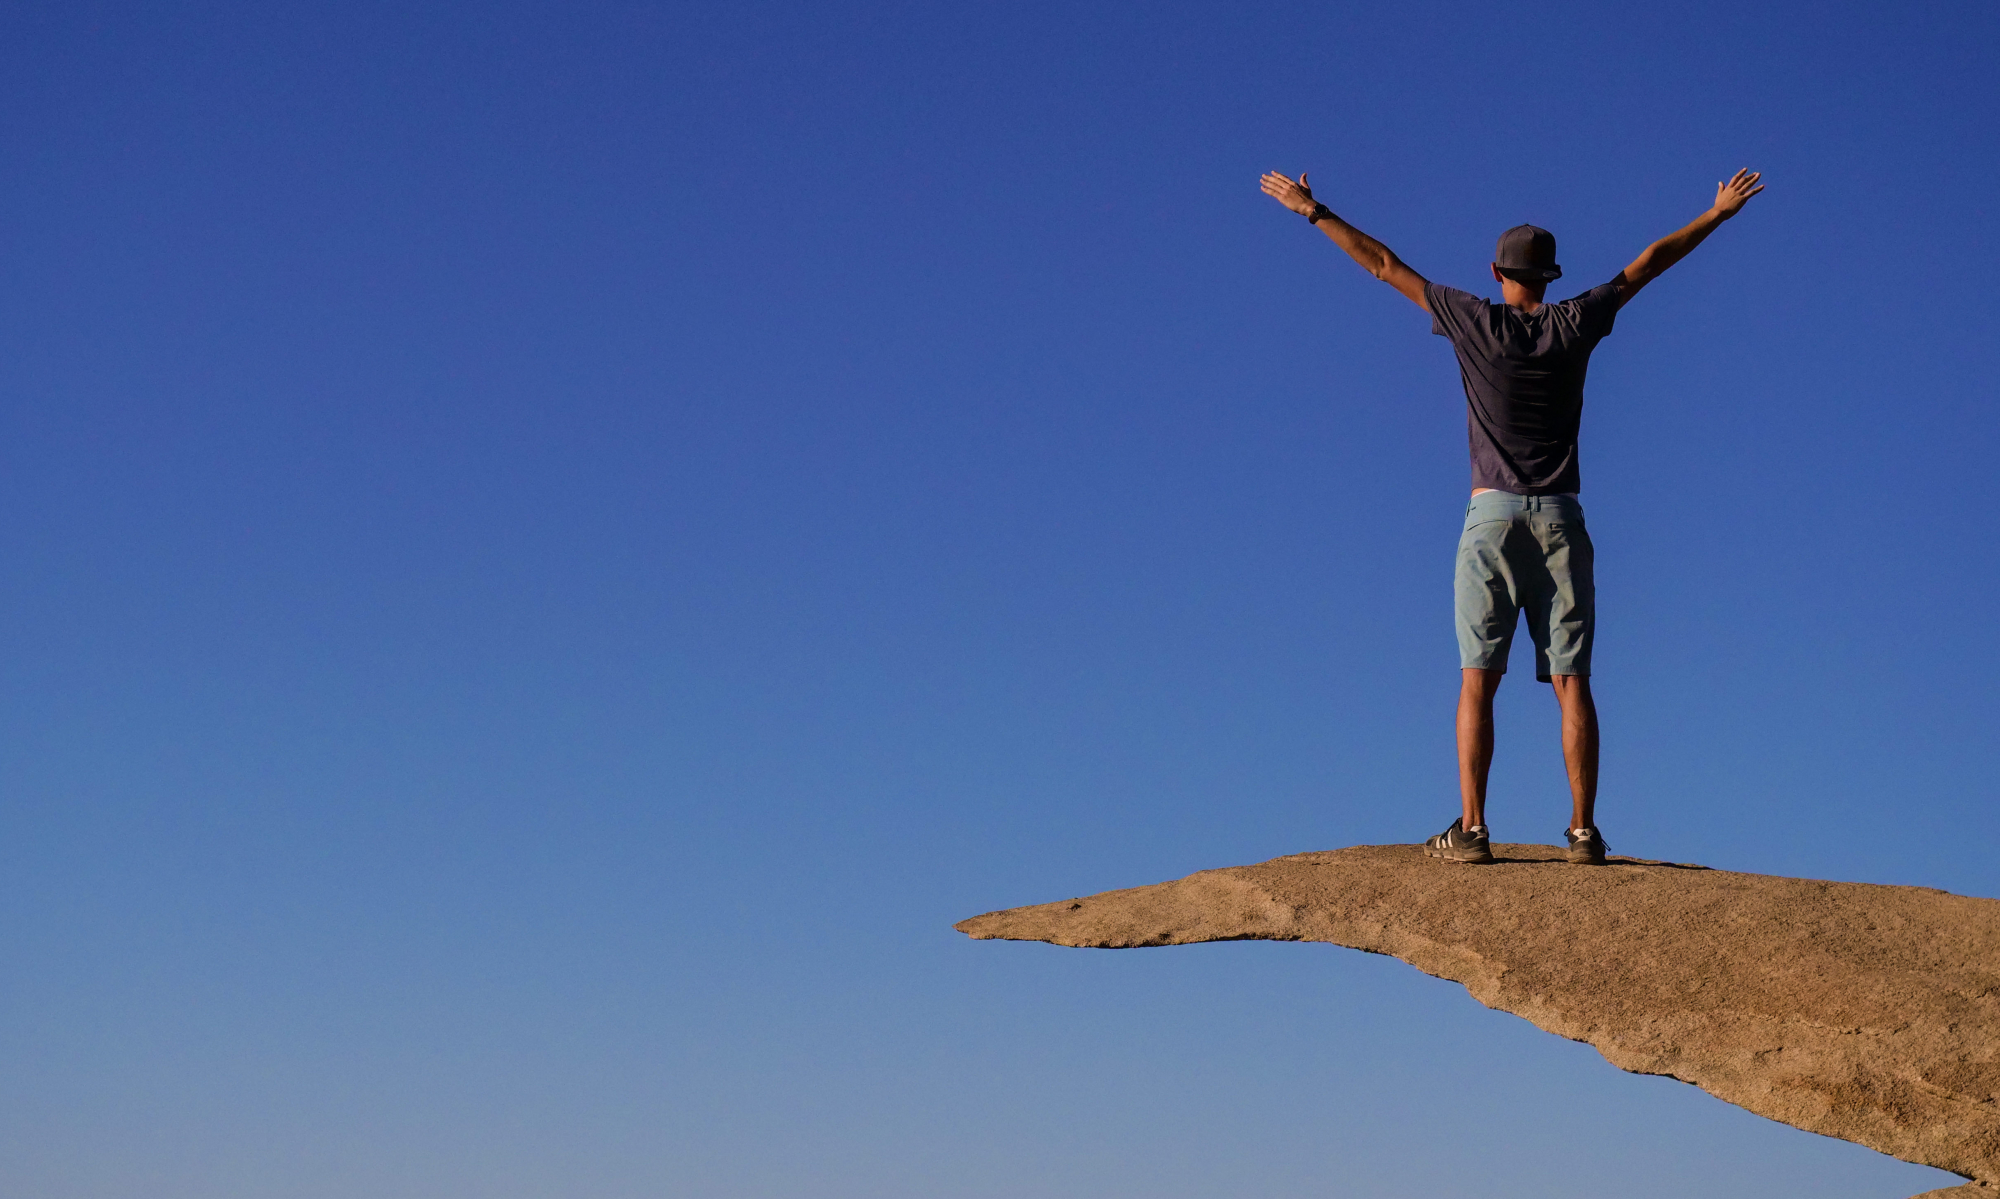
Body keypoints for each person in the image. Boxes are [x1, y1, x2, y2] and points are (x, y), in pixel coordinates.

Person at [1260, 166, 1764, 865]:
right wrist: (1716, 215)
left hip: (1490, 516)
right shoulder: (1574, 322)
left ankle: (1472, 828)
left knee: (1478, 677)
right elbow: (1648, 264)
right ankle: (1583, 832)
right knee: (1572, 681)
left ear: (1496, 271)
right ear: (1552, 276)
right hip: (1561, 515)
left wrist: (1310, 208)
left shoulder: (1473, 321)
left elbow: (1382, 264)